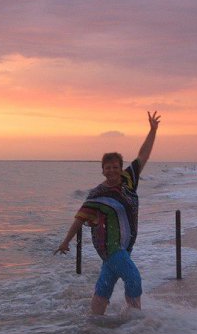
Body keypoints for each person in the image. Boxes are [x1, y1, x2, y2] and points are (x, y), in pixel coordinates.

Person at [54, 111, 161, 315]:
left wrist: (152, 130)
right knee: (133, 278)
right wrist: (66, 241)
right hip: (110, 247)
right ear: (102, 170)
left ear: (121, 168)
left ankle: (94, 322)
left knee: (105, 286)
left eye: (115, 167)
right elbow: (79, 219)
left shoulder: (128, 180)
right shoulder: (98, 194)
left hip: (124, 246)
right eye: (107, 168)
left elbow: (143, 156)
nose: (111, 170)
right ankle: (135, 321)